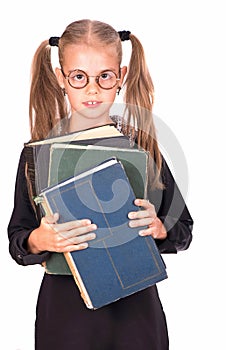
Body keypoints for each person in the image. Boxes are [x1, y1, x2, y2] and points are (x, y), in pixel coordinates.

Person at [8, 19, 193, 350]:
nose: (92, 89)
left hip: (136, 317)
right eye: (79, 77)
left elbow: (183, 230)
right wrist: (40, 238)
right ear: (61, 78)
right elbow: (18, 238)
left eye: (104, 76)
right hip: (66, 320)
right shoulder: (37, 155)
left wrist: (159, 227)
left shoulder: (144, 148)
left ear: (120, 77)